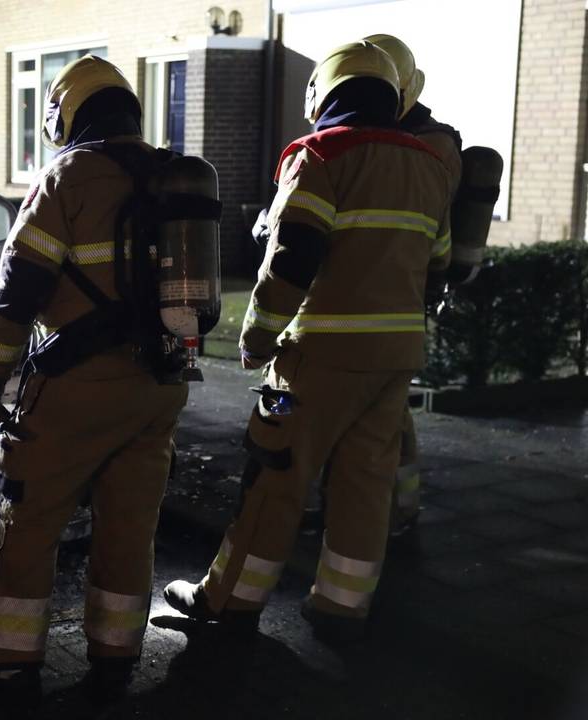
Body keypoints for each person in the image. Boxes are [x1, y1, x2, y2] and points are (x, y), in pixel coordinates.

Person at [161, 41, 453, 640]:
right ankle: (341, 605)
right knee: (365, 482)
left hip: (316, 359)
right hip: (395, 361)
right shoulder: (428, 164)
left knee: (275, 478)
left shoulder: (320, 155)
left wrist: (258, 337)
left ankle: (228, 601)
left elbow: (292, 256)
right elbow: (440, 263)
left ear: (322, 93)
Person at [0, 55, 191, 707]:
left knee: (28, 524)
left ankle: (9, 668)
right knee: (129, 526)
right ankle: (116, 659)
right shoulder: (174, 176)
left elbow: (16, 293)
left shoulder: (69, 176)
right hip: (161, 385)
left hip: (76, 388)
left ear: (68, 112)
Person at [363, 34, 464, 537]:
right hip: (389, 302)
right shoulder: (421, 139)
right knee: (387, 413)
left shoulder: (431, 145)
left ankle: (394, 511)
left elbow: (428, 229)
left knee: (386, 417)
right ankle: (391, 508)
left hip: (391, 296)